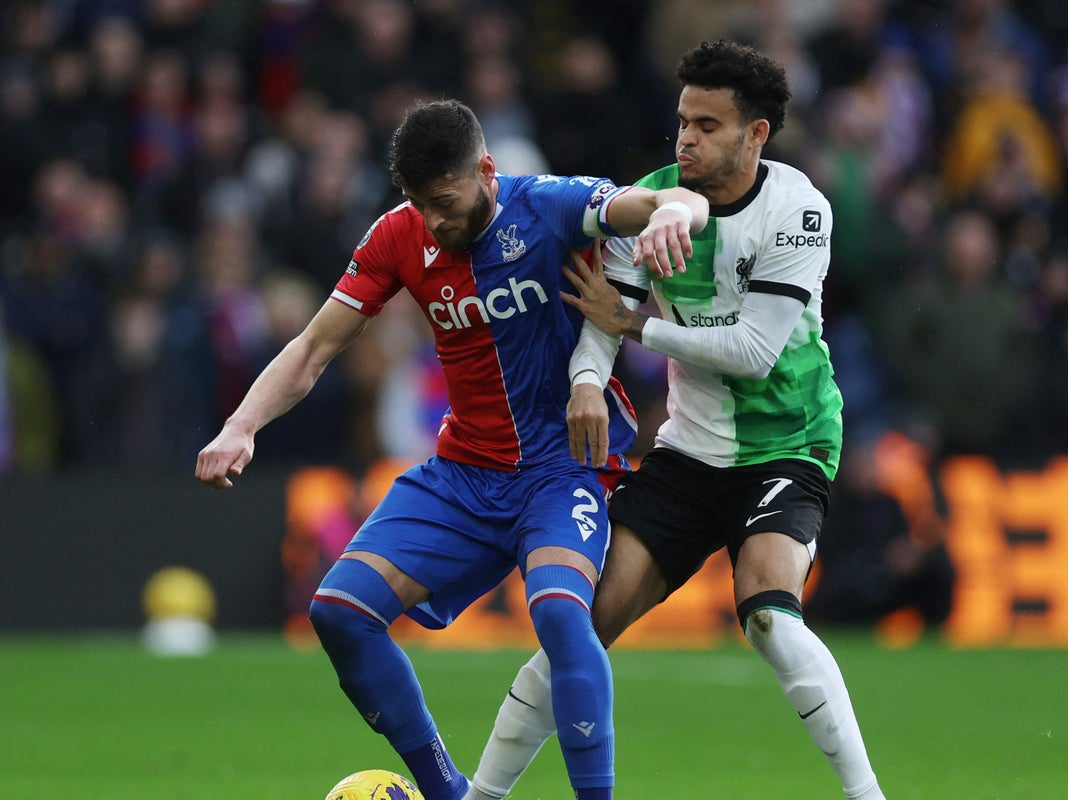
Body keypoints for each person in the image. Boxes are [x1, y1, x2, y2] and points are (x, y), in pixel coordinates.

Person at [194, 99, 709, 800]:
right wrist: (240, 426)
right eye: (417, 203)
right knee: (339, 612)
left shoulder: (550, 205)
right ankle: (448, 793)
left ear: (486, 172)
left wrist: (677, 212)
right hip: (464, 473)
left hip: (562, 469)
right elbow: (314, 346)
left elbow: (662, 197)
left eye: (444, 199)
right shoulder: (396, 238)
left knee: (560, 614)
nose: (433, 220)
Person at [464, 41, 886, 800]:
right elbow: (603, 309)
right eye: (683, 120)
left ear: (756, 135)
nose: (686, 138)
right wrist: (588, 379)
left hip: (789, 442)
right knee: (577, 633)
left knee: (769, 617)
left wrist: (636, 332)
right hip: (689, 450)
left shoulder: (798, 210)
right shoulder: (648, 202)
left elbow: (753, 351)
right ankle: (479, 795)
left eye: (709, 125)